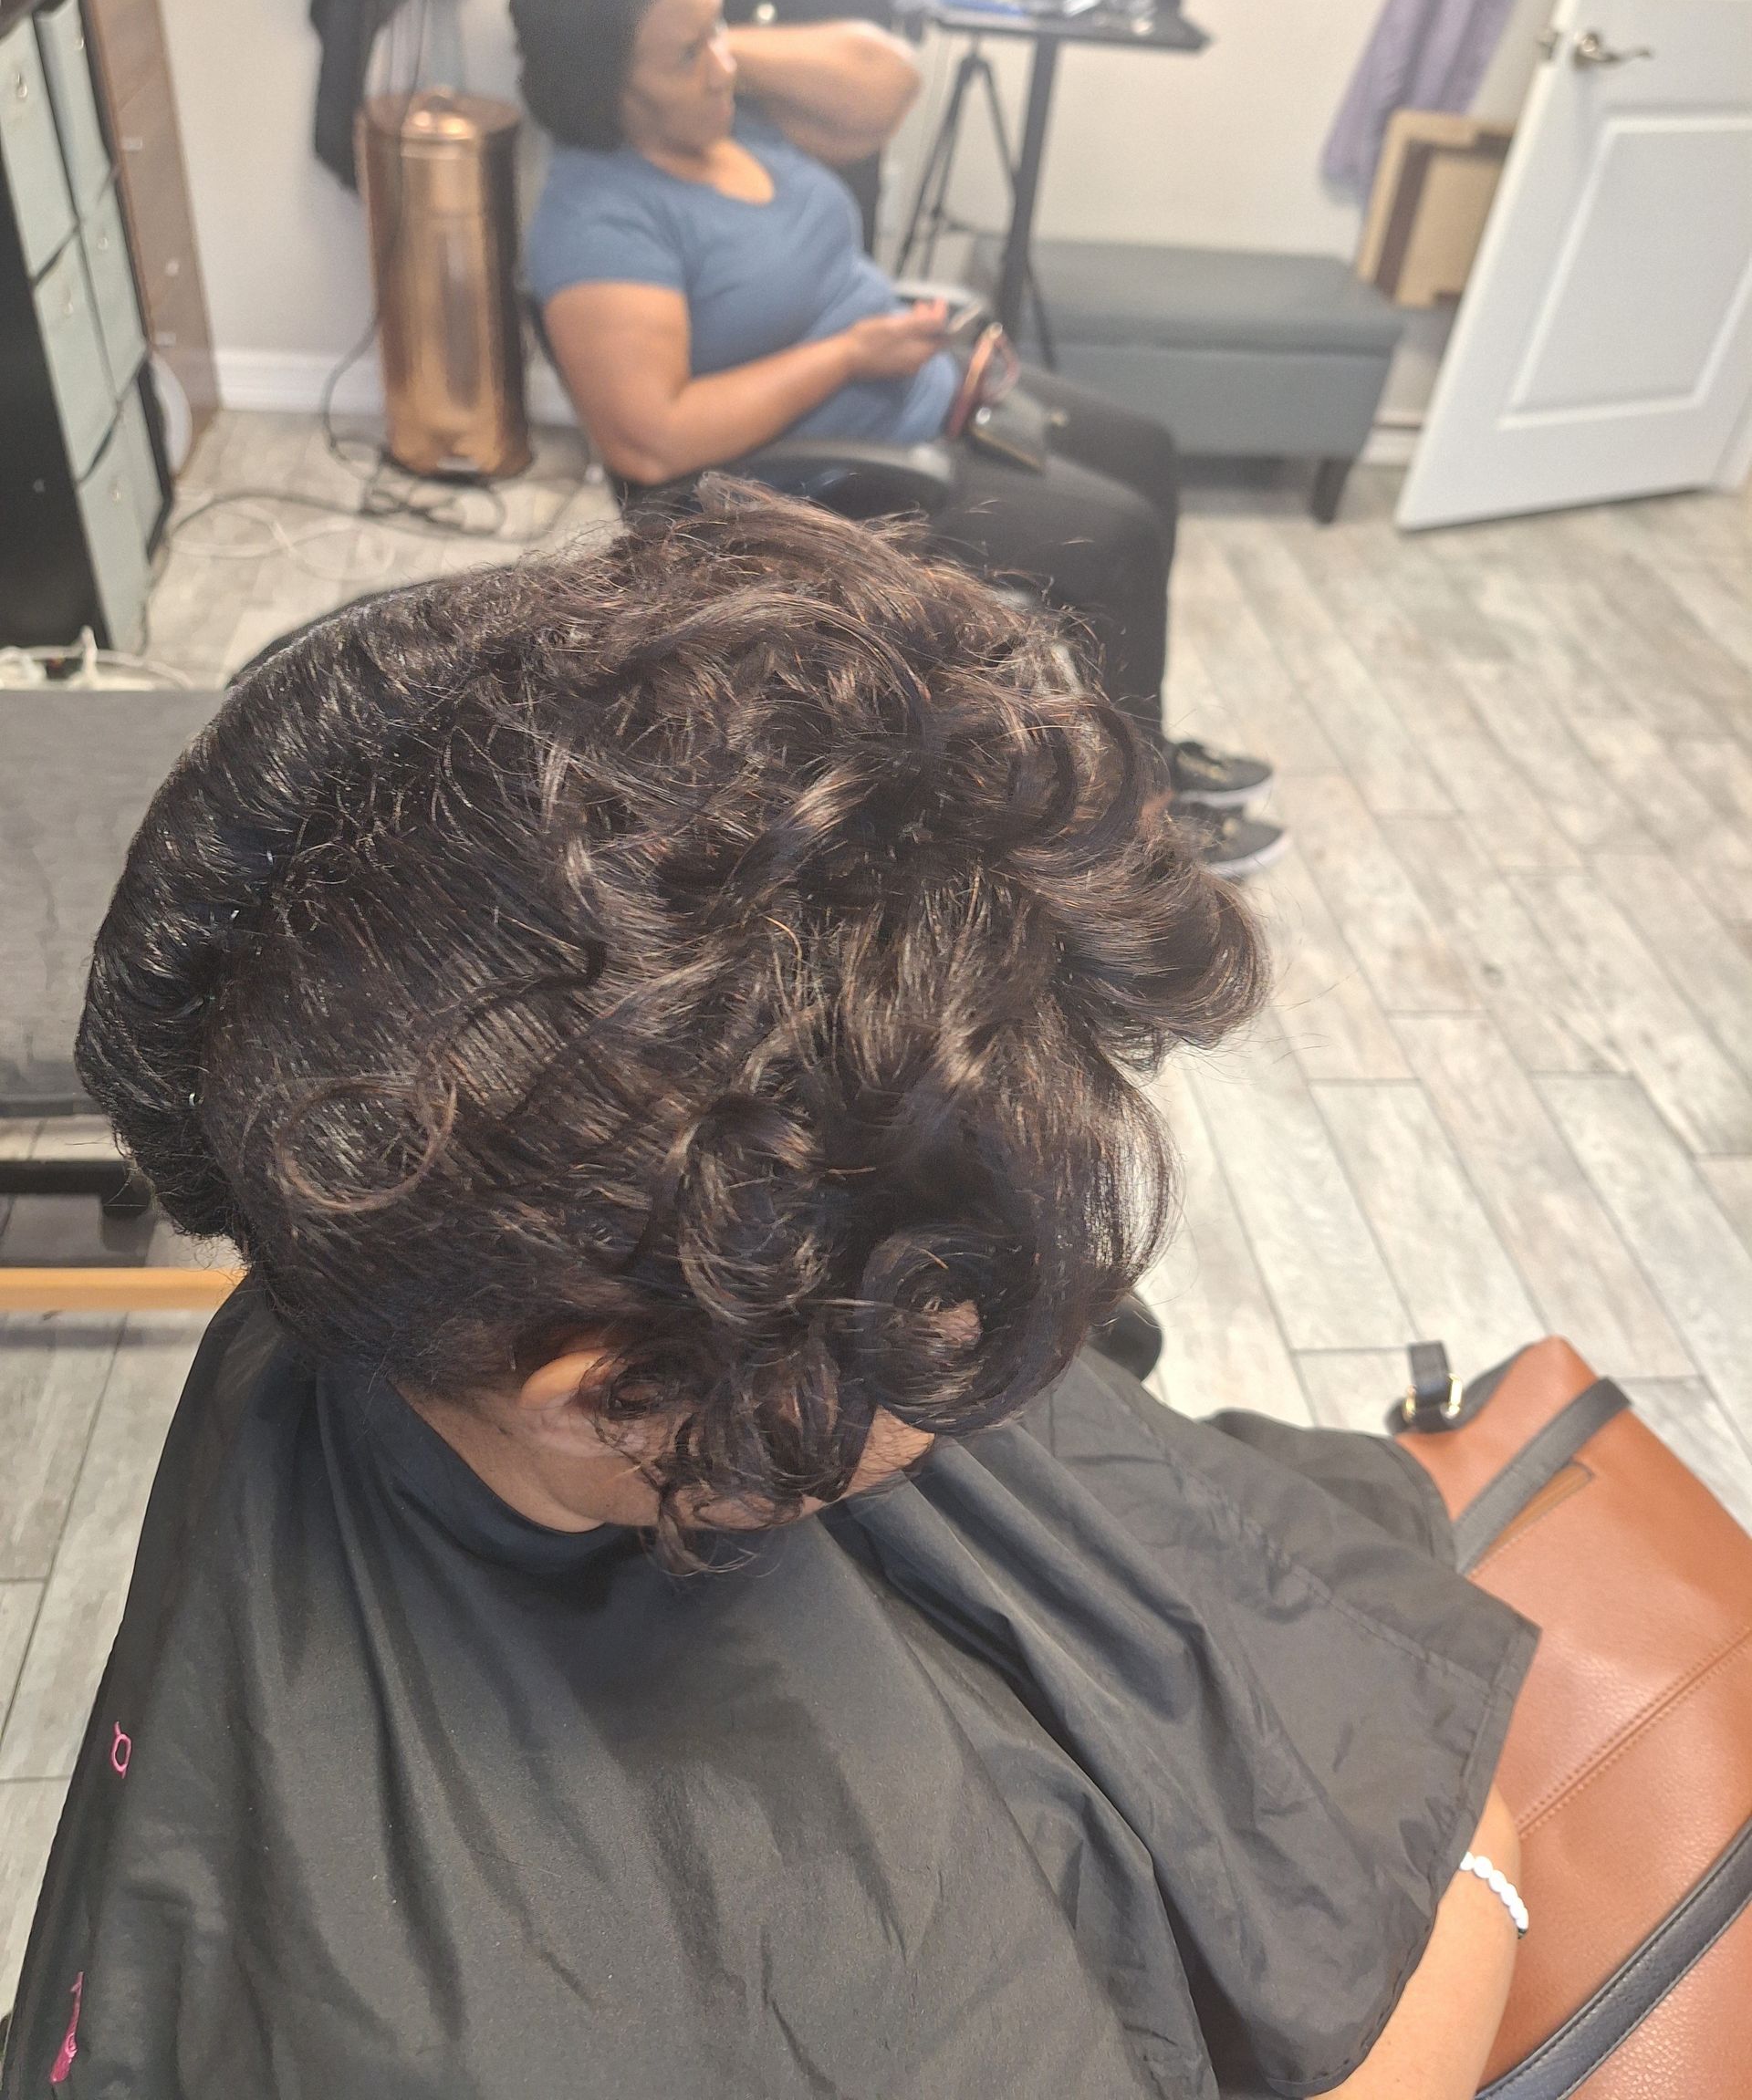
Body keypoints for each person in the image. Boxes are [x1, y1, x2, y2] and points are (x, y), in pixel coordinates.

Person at [4, 491, 1532, 2099]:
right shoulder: (468, 2015)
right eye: (951, 1335)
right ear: (614, 1397)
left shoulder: (386, 1276)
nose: (1012, 1365)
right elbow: (1435, 1806)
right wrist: (1481, 1882)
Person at [515, 0, 1286, 879]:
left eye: (718, 30)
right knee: (1118, 535)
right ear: (600, 82)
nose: (721, 66)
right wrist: (847, 357)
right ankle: (1135, 831)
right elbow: (650, 441)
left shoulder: (729, 112)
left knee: (1147, 452)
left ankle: (1133, 744)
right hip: (813, 481)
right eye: (682, 54)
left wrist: (710, 38)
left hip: (907, 389)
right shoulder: (598, 216)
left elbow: (891, 82)